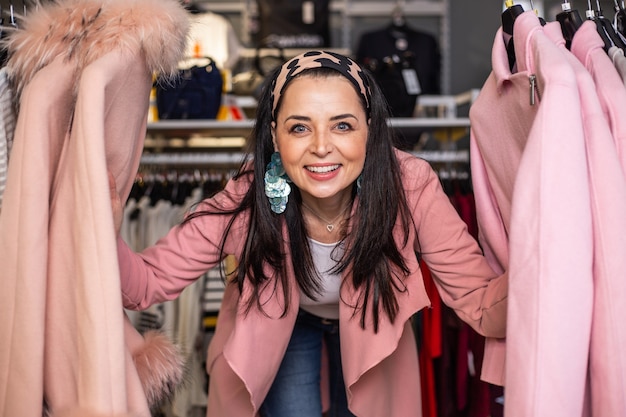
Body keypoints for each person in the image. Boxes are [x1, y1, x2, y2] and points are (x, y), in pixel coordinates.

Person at [113, 50, 507, 417]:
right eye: (300, 127)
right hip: (284, 323)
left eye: (342, 125)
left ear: (368, 129)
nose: (321, 147)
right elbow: (145, 283)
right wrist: (96, 212)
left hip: (372, 326)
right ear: (274, 133)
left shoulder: (410, 185)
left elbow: (478, 299)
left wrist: (545, 261)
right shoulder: (251, 195)